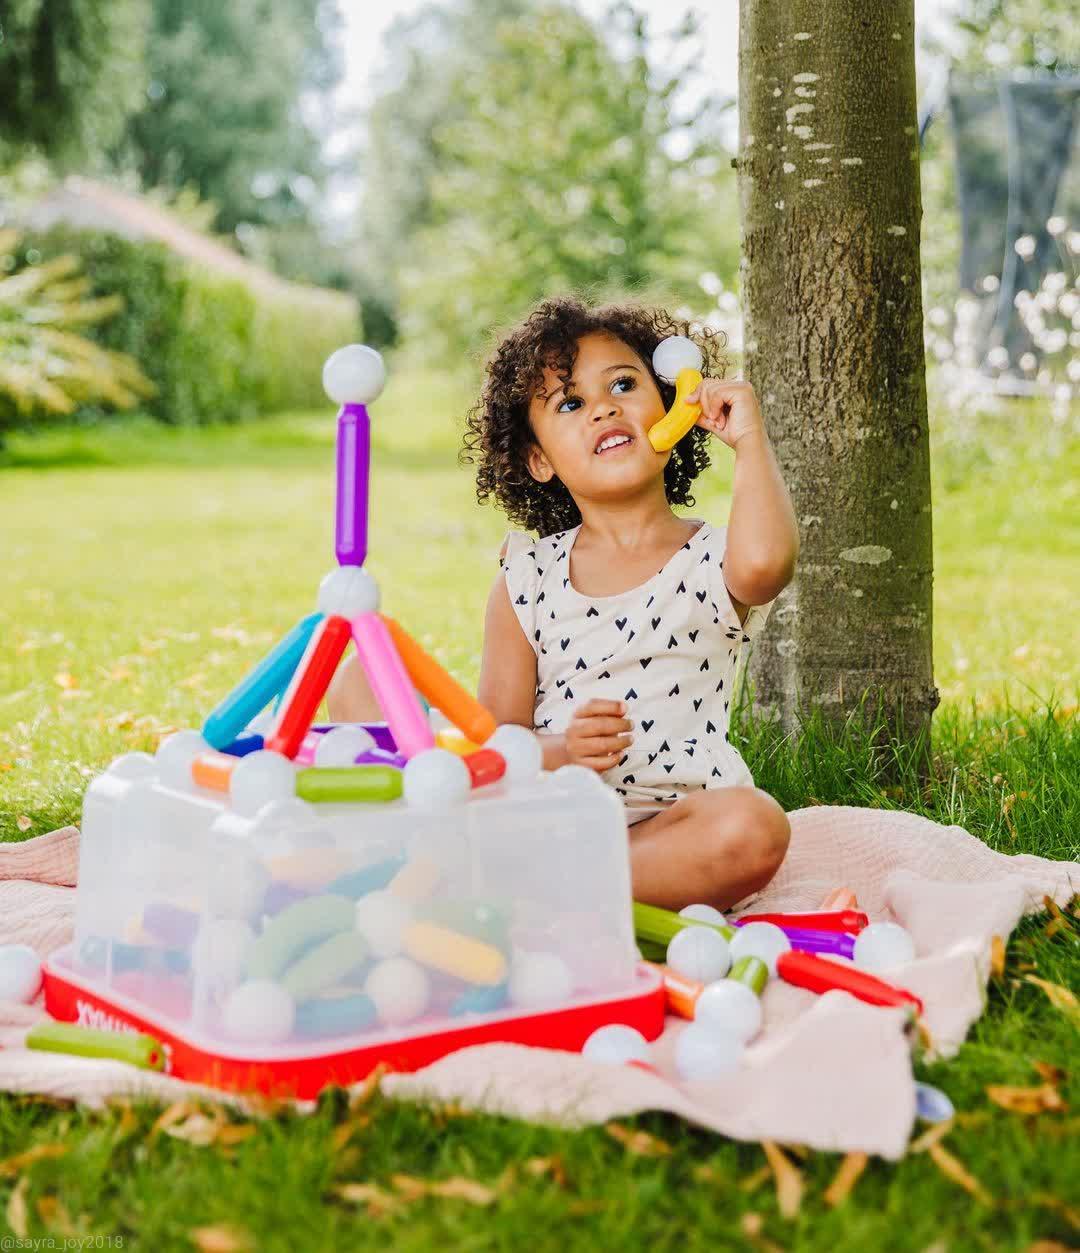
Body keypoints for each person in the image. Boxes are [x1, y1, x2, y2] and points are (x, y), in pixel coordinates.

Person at [329, 296, 799, 911]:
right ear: (540, 460)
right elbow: (501, 737)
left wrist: (750, 440)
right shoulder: (528, 575)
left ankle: (517, 889)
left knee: (754, 827)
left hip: (669, 829)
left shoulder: (714, 558)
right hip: (545, 817)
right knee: (363, 675)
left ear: (671, 406)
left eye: (624, 385)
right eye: (571, 404)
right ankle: (504, 872)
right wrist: (565, 751)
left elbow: (765, 566)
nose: (604, 407)